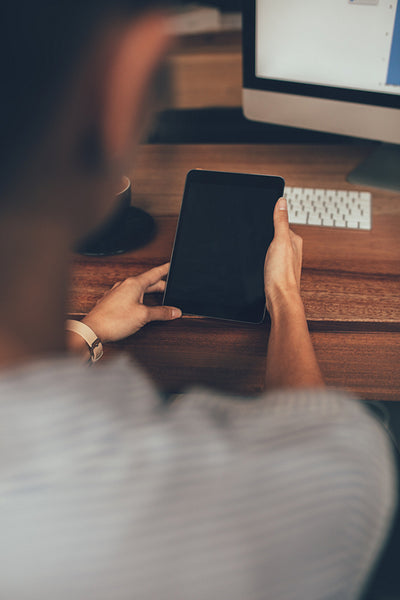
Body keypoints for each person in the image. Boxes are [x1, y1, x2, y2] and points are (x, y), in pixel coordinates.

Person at [0, 2, 396, 599]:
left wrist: (86, 332)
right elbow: (317, 439)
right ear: (122, 85)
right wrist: (286, 296)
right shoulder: (333, 478)